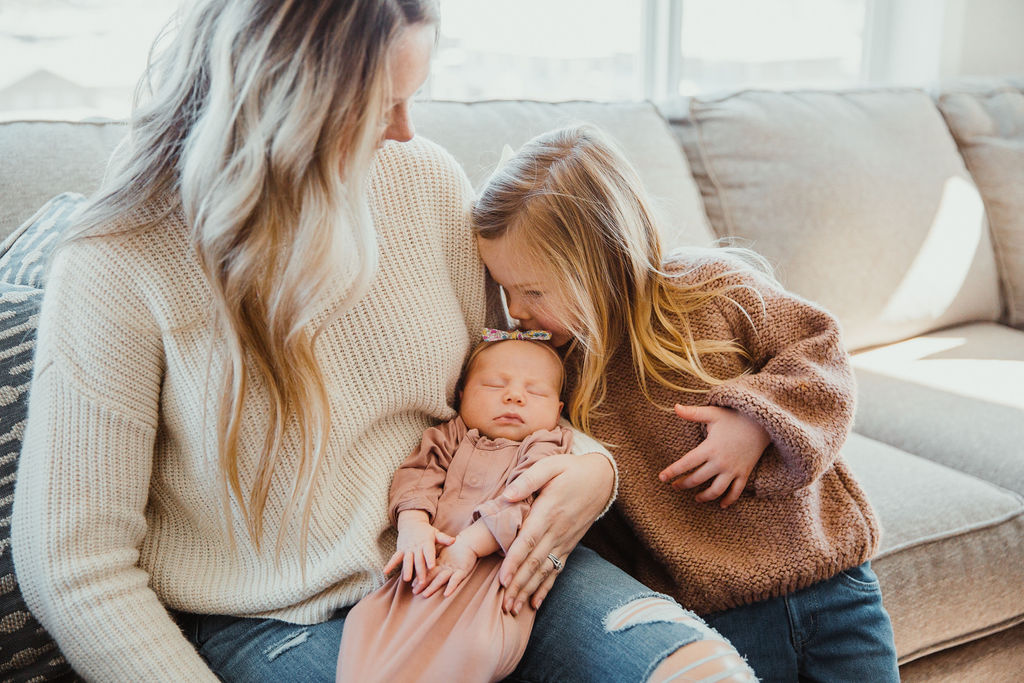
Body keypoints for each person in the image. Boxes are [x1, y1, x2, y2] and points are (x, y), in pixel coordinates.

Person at [12, 1, 754, 681]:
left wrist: (590, 471)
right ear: (281, 98)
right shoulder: (118, 259)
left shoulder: (426, 182)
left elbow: (507, 374)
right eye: (380, 103)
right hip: (271, 616)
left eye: (413, 95)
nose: (404, 129)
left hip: (480, 548)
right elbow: (76, 564)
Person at [473, 124, 901, 681]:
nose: (516, 310)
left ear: (605, 257)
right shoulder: (556, 377)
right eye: (505, 290)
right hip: (718, 619)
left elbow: (820, 350)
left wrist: (756, 423)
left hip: (835, 587)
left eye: (533, 291)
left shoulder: (709, 287)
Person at [339, 332, 572, 682]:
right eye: (494, 385)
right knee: (364, 622)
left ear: (557, 410)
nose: (514, 396)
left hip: (490, 576)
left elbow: (524, 503)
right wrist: (413, 523)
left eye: (535, 391)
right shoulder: (449, 435)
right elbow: (418, 474)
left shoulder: (546, 446)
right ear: (461, 395)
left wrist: (468, 545)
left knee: (473, 648)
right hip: (431, 560)